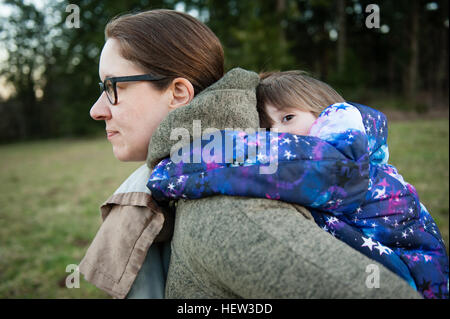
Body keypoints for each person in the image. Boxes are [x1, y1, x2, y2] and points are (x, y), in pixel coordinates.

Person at [79, 9, 421, 299]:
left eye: (114, 87)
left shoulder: (227, 208)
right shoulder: (192, 179)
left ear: (179, 92)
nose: (97, 110)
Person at [148, 71, 449, 299]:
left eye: (288, 117)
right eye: (268, 127)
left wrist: (177, 172)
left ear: (326, 111)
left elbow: (265, 160)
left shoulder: (341, 155)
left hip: (416, 281)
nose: (278, 133)